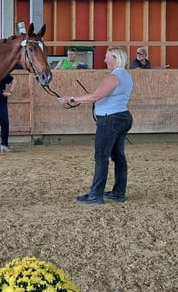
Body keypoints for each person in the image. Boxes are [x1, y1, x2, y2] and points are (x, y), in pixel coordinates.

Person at [57, 46, 133, 204]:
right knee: (118, 157)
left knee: (101, 156)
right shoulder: (125, 75)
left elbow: (95, 96)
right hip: (122, 117)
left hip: (109, 120)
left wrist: (71, 99)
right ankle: (118, 192)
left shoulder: (113, 77)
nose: (105, 60)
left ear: (116, 59)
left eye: (108, 57)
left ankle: (95, 195)